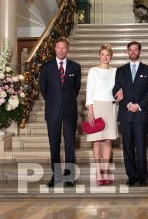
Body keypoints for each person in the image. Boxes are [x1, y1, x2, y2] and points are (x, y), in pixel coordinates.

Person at [39, 36, 81, 188]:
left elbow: (75, 89)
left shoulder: (75, 67)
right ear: (55, 49)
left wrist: (66, 100)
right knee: (54, 143)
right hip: (52, 111)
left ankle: (69, 177)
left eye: (64, 48)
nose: (61, 50)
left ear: (67, 49)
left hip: (70, 110)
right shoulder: (46, 67)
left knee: (70, 144)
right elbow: (43, 89)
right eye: (59, 47)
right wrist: (54, 101)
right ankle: (56, 176)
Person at [113, 41, 148, 187]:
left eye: (135, 50)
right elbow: (116, 90)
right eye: (131, 50)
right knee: (127, 148)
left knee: (141, 147)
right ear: (127, 52)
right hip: (126, 114)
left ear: (139, 51)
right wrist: (129, 104)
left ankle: (143, 177)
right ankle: (132, 176)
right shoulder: (120, 70)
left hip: (140, 115)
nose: (133, 52)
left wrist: (139, 106)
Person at [85, 44, 119, 186]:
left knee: (108, 140)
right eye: (103, 54)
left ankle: (106, 171)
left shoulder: (116, 71)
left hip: (110, 106)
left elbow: (118, 89)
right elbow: (89, 91)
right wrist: (90, 110)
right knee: (97, 141)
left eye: (108, 54)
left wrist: (119, 98)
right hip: (97, 106)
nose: (105, 57)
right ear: (99, 55)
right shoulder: (93, 71)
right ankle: (98, 171)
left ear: (111, 57)